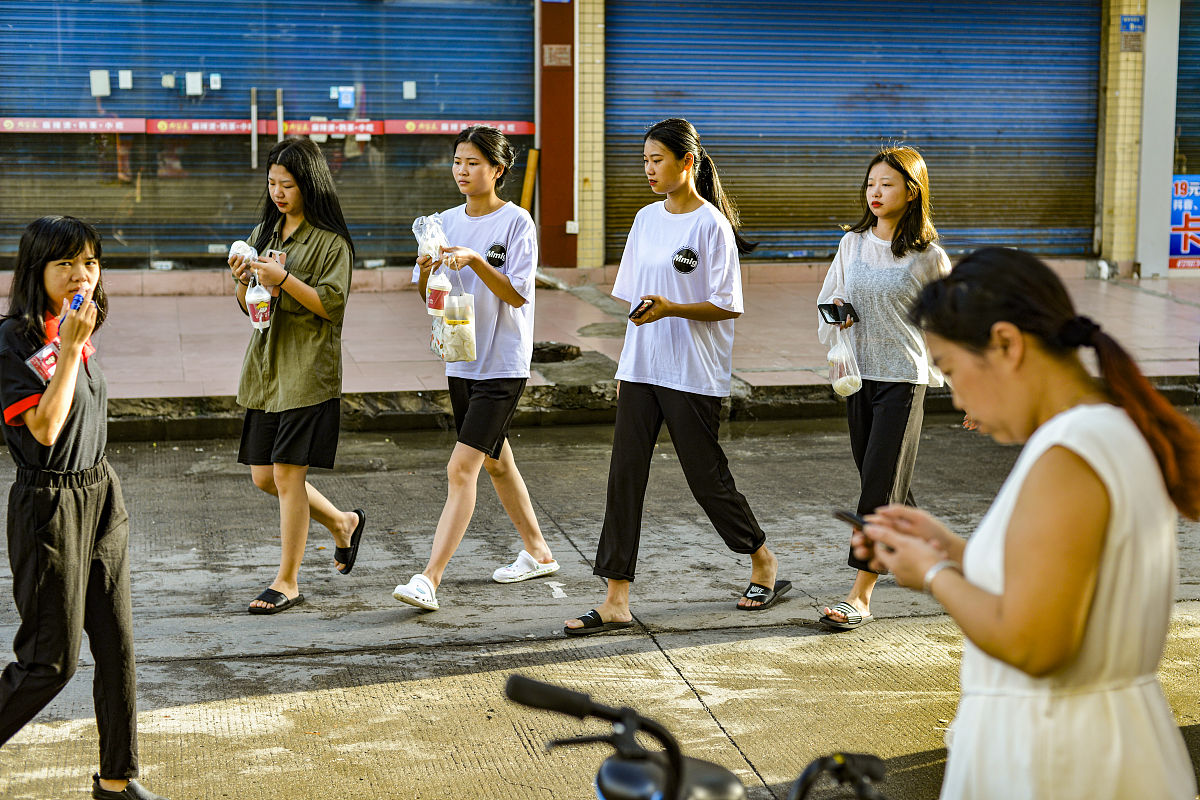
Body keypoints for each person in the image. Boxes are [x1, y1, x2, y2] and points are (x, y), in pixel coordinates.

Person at [855, 248, 1200, 798]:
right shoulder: (1102, 434)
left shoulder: (1073, 453)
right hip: (1086, 742)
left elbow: (1036, 644)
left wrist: (936, 574)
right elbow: (1059, 585)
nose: (958, 397)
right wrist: (951, 548)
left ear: (1007, 344)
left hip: (1060, 758)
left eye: (950, 370)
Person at [564, 117, 788, 637]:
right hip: (643, 369)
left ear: (687, 162)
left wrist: (671, 309)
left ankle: (763, 561)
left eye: (656, 159)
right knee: (624, 478)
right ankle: (616, 598)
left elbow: (727, 306)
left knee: (706, 479)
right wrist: (628, 362)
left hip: (693, 373)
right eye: (643, 160)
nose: (647, 169)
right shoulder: (645, 220)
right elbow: (638, 301)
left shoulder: (711, 226)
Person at [0, 216, 170, 800]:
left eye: (91, 262)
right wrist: (68, 347)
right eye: (66, 263)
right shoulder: (16, 339)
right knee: (50, 661)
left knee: (117, 644)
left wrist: (74, 339)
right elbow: (44, 430)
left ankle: (118, 779)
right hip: (48, 505)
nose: (82, 275)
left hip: (101, 494)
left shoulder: (78, 324)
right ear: (36, 271)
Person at [392, 125, 558, 612]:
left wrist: (476, 261)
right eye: (458, 162)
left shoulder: (516, 223)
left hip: (503, 363)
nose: (462, 172)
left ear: (498, 170)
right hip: (461, 357)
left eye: (473, 164)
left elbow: (518, 293)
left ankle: (429, 578)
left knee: (461, 468)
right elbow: (429, 296)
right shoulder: (443, 220)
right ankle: (538, 551)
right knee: (495, 459)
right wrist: (425, 268)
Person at [815, 145, 950, 631]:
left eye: (887, 184)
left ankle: (861, 594)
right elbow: (828, 297)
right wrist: (837, 310)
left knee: (877, 486)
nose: (876, 192)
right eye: (871, 183)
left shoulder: (928, 257)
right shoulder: (851, 244)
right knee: (887, 482)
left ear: (912, 192)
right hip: (859, 379)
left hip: (904, 380)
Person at [228, 136, 365, 615]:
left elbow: (332, 304)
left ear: (309, 185)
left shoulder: (332, 244)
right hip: (266, 372)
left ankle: (287, 581)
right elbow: (250, 306)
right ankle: (342, 523)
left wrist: (282, 279)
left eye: (287, 184)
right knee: (264, 477)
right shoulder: (265, 233)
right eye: (272, 184)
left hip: (308, 371)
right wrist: (243, 280)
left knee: (288, 475)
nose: (278, 193)